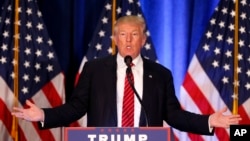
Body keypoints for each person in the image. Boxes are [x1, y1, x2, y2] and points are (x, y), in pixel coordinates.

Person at [12, 15, 241, 135]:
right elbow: (75, 108)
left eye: (134, 34)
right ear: (115, 39)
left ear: (143, 40)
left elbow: (173, 115)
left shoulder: (160, 75)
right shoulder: (94, 69)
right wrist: (43, 114)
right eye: (123, 34)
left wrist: (210, 121)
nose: (128, 39)